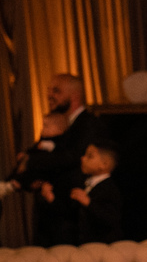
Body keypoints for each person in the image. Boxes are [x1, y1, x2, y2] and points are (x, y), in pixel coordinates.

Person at [29, 73, 103, 245]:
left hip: (71, 217)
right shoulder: (54, 124)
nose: (49, 95)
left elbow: (73, 158)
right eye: (49, 90)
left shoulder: (89, 124)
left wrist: (34, 161)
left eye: (56, 91)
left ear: (74, 96)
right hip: (49, 218)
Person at [70, 142, 123, 243]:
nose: (83, 158)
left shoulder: (110, 189)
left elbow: (111, 219)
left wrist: (88, 203)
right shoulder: (84, 182)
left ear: (104, 164)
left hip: (101, 244)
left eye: (90, 156)